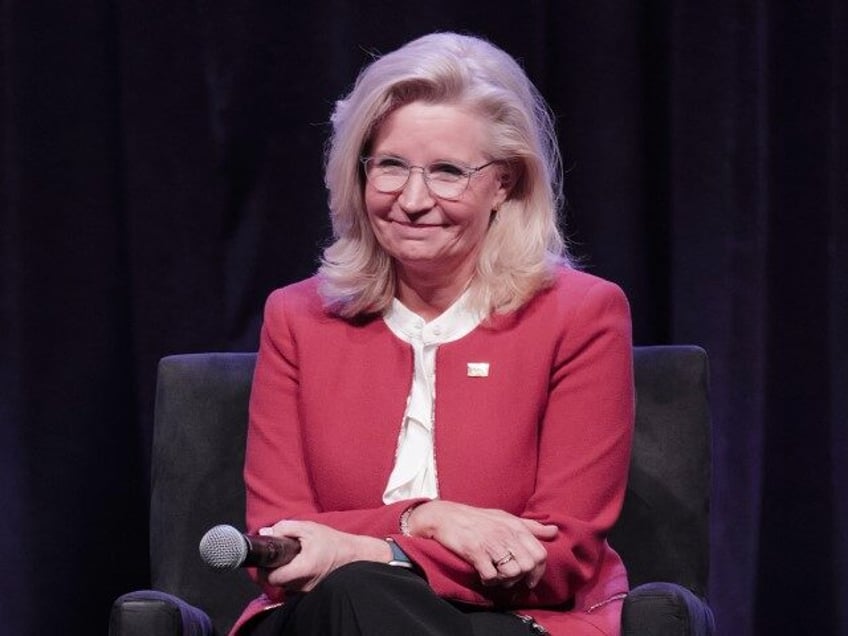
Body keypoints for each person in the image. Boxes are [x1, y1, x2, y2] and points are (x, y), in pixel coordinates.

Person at [232, 32, 634, 636]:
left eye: (448, 171)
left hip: (512, 618)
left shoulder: (581, 315)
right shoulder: (297, 318)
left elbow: (558, 557)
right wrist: (426, 518)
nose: (413, 200)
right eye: (391, 165)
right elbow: (278, 545)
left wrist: (364, 549)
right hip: (319, 620)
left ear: (505, 184)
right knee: (353, 598)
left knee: (362, 586)